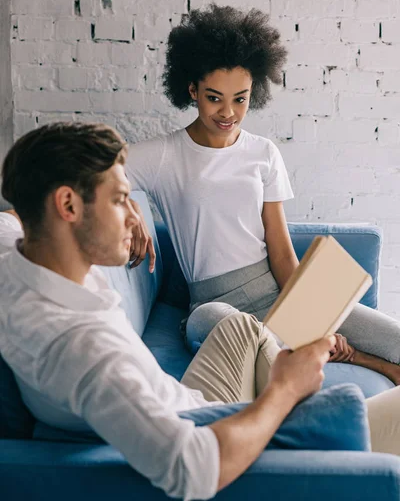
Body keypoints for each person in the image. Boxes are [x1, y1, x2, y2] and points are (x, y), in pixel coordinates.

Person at [1, 122, 399, 500]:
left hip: (192, 401)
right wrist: (285, 389)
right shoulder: (83, 348)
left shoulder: (17, 263)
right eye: (121, 200)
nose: (134, 214)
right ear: (68, 205)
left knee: (241, 326)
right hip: (218, 437)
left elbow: (10, 223)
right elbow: (192, 468)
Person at [125, 3, 400, 385]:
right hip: (214, 306)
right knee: (224, 326)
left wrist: (311, 314)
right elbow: (98, 169)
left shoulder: (263, 152)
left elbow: (281, 251)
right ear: (192, 90)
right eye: (214, 97)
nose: (229, 112)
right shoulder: (164, 155)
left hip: (276, 294)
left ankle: (325, 347)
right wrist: (126, 207)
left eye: (240, 98)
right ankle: (342, 355)